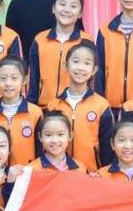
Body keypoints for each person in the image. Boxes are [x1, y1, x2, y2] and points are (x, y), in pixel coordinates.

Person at [46, 41, 115, 170]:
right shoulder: (53, 105)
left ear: (94, 70)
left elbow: (107, 148)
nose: (80, 68)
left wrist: (103, 172)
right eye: (76, 61)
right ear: (66, 66)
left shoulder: (101, 105)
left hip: (91, 174)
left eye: (87, 63)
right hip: (58, 173)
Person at [27, 0, 93, 107]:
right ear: (53, 8)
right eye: (62, 4)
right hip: (44, 108)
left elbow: (92, 80)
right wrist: (31, 105)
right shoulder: (40, 39)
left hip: (76, 108)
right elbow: (33, 78)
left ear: (80, 14)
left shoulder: (86, 41)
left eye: (73, 6)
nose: (67, 10)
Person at [0, 57, 43, 166]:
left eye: (14, 78)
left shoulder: (35, 113)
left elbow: (41, 149)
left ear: (25, 80)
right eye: (3, 78)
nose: (8, 83)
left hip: (28, 172)